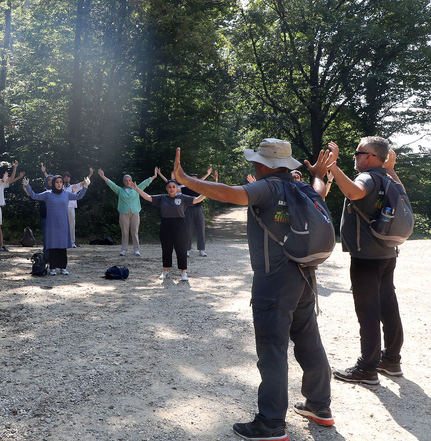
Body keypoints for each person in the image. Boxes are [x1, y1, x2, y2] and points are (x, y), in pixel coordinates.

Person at [172, 139, 335, 440]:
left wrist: (185, 180)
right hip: (304, 277)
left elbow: (230, 194)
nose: (254, 165)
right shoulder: (300, 187)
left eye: (256, 161)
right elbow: (321, 191)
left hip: (273, 282)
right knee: (309, 341)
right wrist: (318, 174)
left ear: (264, 164)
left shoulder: (267, 187)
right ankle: (319, 406)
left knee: (272, 350)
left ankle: (271, 424)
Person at [326, 137, 406, 384]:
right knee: (388, 306)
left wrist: (333, 166)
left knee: (368, 311)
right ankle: (391, 360)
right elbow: (402, 195)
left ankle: (367, 369)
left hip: (366, 256)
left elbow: (354, 192)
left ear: (370, 157)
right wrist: (390, 168)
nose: (355, 156)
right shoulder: (387, 178)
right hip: (387, 253)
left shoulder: (368, 177)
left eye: (358, 152)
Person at [132, 174, 204, 281]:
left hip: (179, 224)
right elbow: (148, 197)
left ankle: (183, 272)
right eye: (169, 187)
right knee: (166, 248)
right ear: (166, 188)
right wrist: (136, 189)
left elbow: (197, 200)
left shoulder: (182, 197)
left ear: (177, 188)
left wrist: (208, 192)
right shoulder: (163, 198)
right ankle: (165, 271)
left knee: (181, 249)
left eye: (174, 187)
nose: (171, 189)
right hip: (166, 224)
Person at [23, 175, 89, 275]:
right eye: (57, 182)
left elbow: (79, 196)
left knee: (62, 246)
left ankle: (63, 267)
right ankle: (52, 268)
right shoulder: (48, 194)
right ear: (53, 183)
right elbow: (34, 196)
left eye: (60, 182)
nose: (59, 184)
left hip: (63, 224)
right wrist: (27, 186)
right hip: (51, 225)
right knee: (53, 246)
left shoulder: (66, 194)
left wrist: (86, 186)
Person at [97, 168, 158, 256]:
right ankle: (124, 249)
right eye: (126, 180)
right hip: (123, 213)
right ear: (123, 181)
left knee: (135, 231)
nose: (128, 182)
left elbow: (145, 183)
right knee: (125, 232)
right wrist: (103, 176)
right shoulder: (120, 190)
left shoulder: (137, 188)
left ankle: (136, 249)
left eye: (129, 180)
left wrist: (154, 176)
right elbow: (111, 184)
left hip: (135, 212)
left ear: (131, 181)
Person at [42, 165, 94, 248]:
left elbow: (85, 182)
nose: (66, 178)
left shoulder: (74, 186)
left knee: (71, 225)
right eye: (65, 177)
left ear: (69, 178)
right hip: (61, 208)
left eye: (68, 177)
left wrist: (90, 174)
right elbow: (51, 180)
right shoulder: (59, 185)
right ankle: (61, 242)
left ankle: (72, 242)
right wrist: (44, 172)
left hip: (70, 208)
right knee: (60, 226)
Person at [181, 168, 217, 257]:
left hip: (198, 209)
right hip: (188, 209)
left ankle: (201, 250)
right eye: (192, 178)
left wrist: (215, 180)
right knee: (188, 230)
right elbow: (173, 190)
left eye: (196, 179)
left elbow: (211, 189)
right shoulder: (184, 188)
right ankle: (187, 249)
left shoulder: (201, 188)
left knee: (201, 229)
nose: (194, 180)